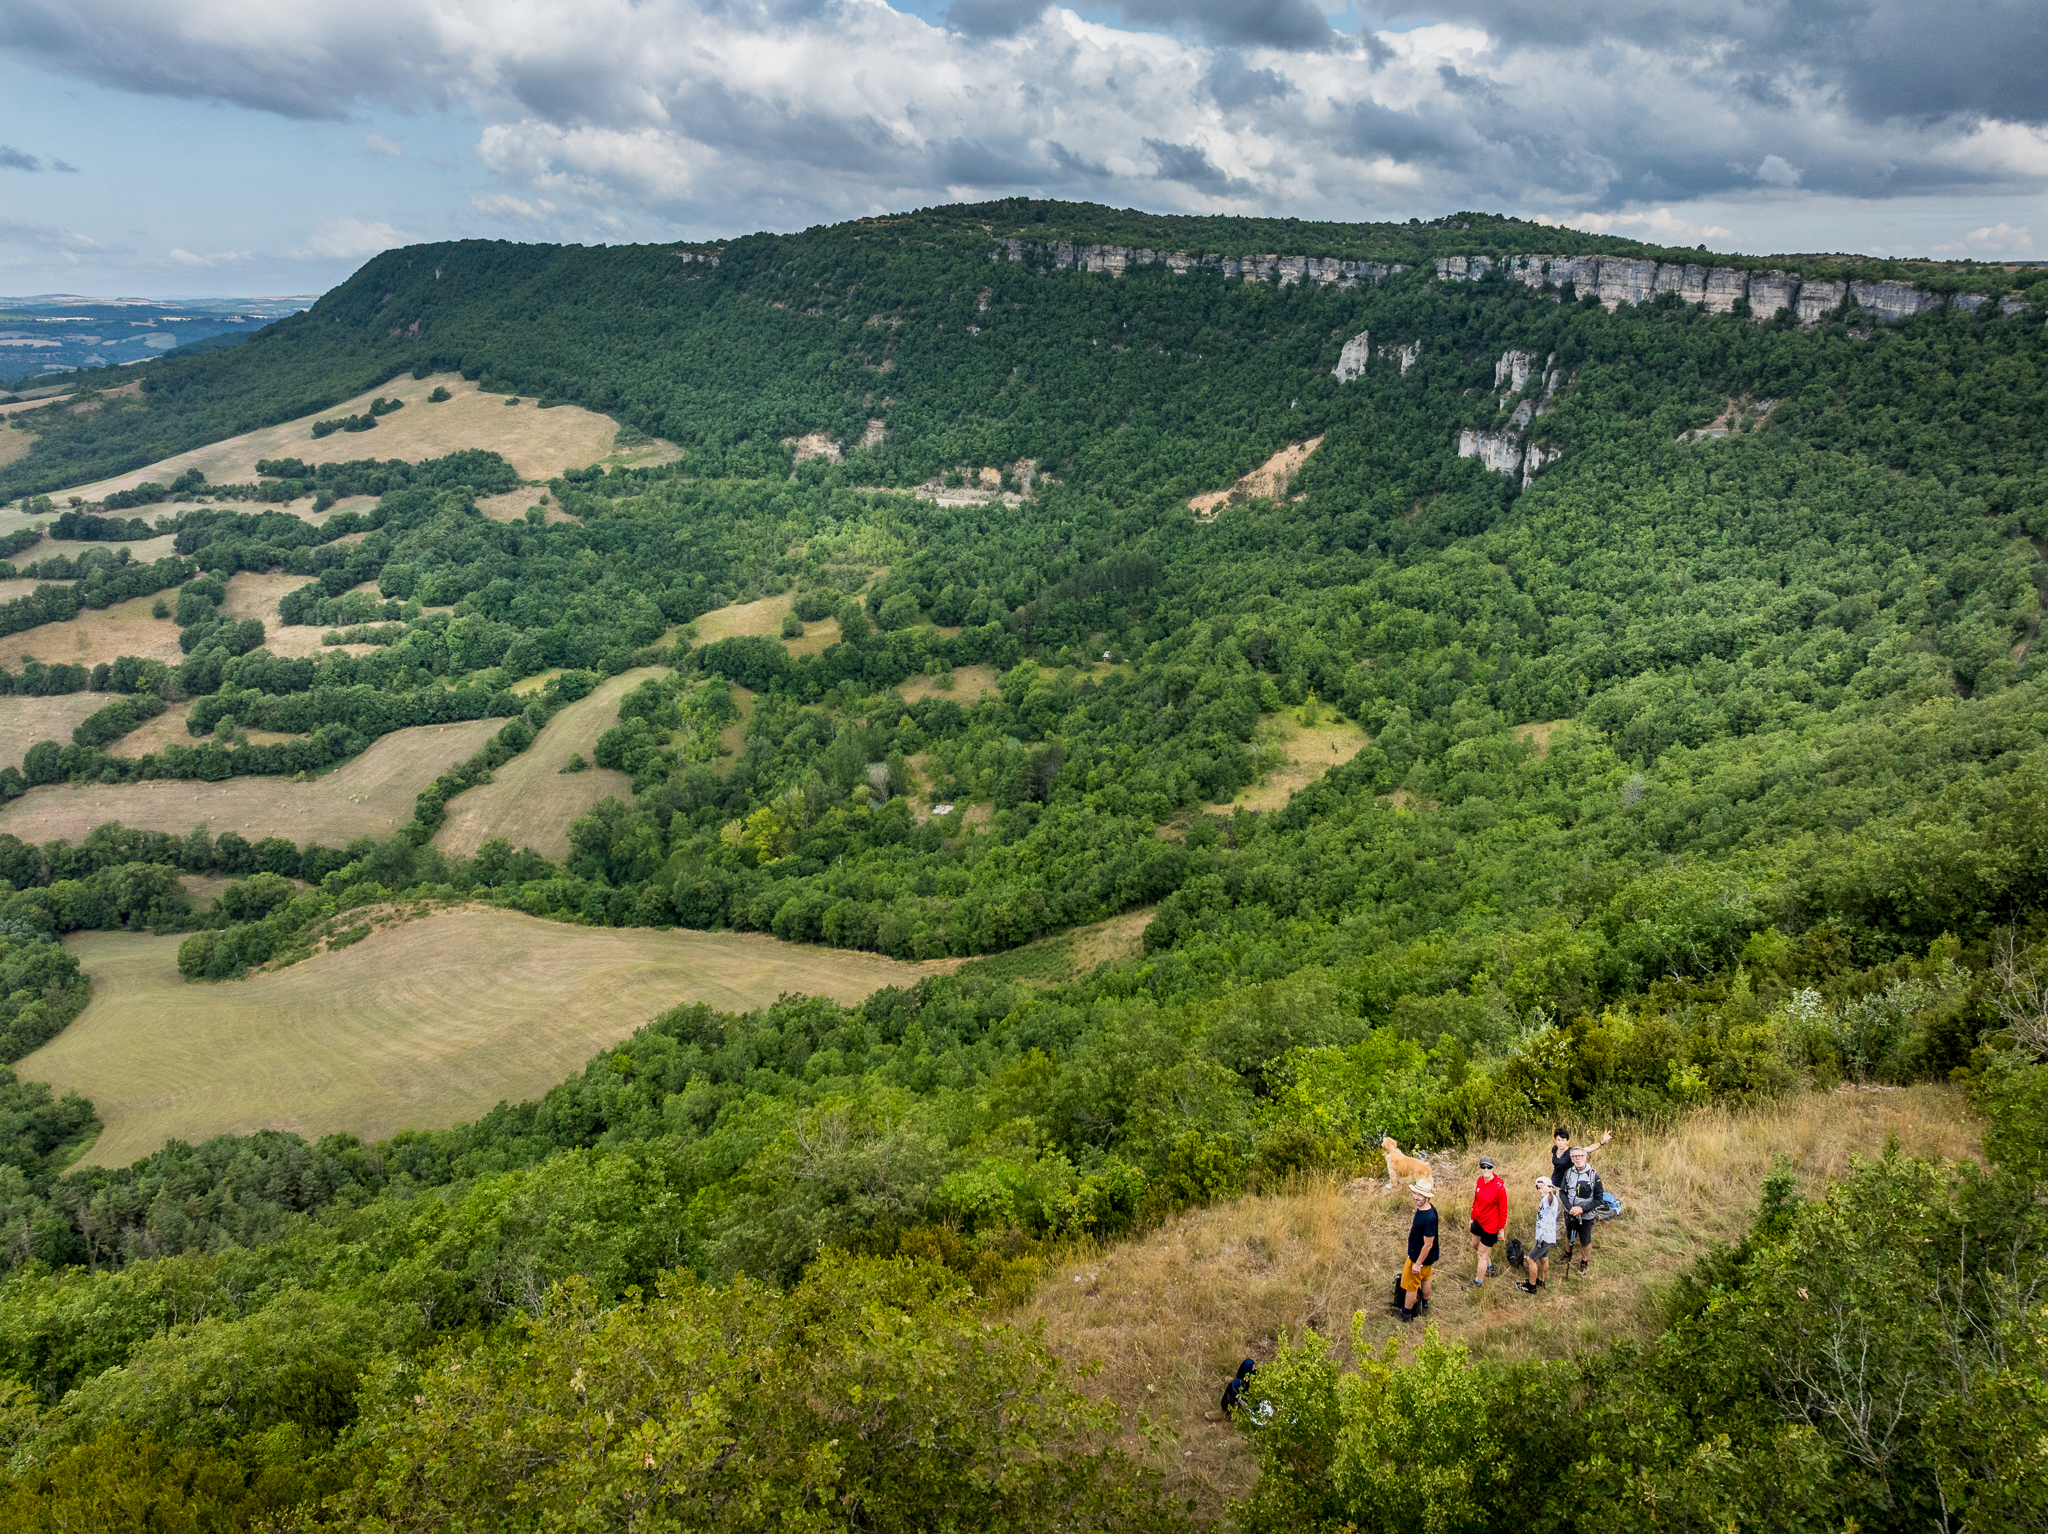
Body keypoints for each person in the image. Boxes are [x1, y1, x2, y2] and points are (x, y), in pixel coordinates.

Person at [1559, 1145, 1605, 1273]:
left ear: (1586, 1157)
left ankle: (1584, 1262)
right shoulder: (1568, 1173)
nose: (1578, 1158)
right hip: (1570, 1212)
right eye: (1575, 1156)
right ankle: (1568, 1254)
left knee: (1585, 1239)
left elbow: (1598, 1198)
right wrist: (1570, 1208)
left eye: (1580, 1156)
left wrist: (1582, 1209)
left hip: (1586, 1215)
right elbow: (1562, 1192)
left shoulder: (1593, 1175)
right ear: (1572, 1159)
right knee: (1569, 1234)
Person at [1401, 1178, 1438, 1322]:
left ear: (1427, 1196)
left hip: (1418, 1257)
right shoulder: (1427, 1209)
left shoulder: (1428, 1217)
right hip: (1427, 1258)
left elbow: (1428, 1244)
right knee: (1425, 1278)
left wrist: (1417, 1263)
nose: (1416, 1197)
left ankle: (1406, 1315)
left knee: (1411, 1286)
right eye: (1415, 1193)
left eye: (1420, 1195)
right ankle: (1425, 1305)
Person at [1469, 1156, 1506, 1287]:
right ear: (1480, 1168)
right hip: (1478, 1221)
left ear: (1493, 1168)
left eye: (1489, 1167)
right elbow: (1476, 1201)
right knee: (1475, 1245)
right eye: (1483, 1167)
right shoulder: (1480, 1181)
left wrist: (1501, 1230)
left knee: (1481, 1255)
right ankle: (1489, 1267)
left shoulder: (1499, 1187)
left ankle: (1478, 1283)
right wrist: (1472, 1217)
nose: (1486, 1169)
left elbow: (1503, 1209)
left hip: (1491, 1226)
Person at [1518, 1175, 1559, 1292]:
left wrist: (1550, 1191)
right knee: (1544, 1258)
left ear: (1550, 1187)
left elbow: (1551, 1198)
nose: (1540, 1190)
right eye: (1538, 1188)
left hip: (1544, 1237)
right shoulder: (1545, 1198)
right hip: (1547, 1236)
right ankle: (1541, 1280)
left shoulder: (1550, 1198)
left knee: (1531, 1259)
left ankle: (1532, 1286)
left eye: (1542, 1187)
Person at [1550, 1125, 1611, 1192]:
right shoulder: (1555, 1149)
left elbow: (1589, 1148)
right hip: (1553, 1183)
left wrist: (1602, 1142)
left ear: (1567, 1141)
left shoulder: (1572, 1152)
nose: (1560, 1142)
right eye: (1558, 1140)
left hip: (1564, 1186)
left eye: (1563, 1140)